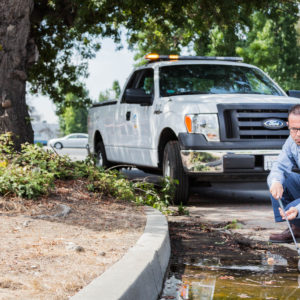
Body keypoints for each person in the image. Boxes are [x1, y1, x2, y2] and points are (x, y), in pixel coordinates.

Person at [268, 104, 300, 243]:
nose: (298, 135)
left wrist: (298, 209)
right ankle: (296, 228)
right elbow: (279, 166)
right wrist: (275, 182)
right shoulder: (291, 142)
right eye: (294, 129)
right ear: (288, 125)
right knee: (280, 179)